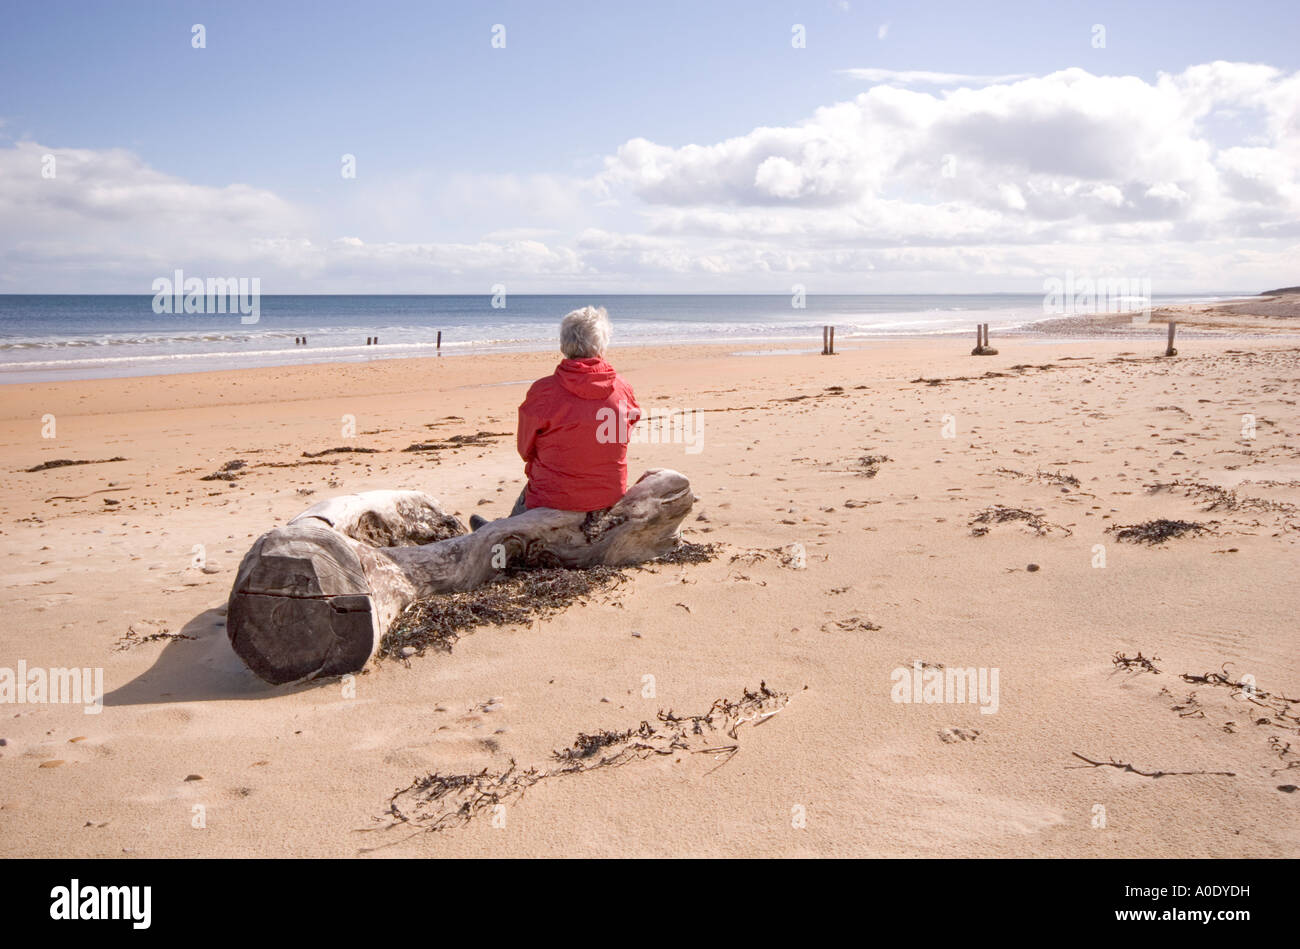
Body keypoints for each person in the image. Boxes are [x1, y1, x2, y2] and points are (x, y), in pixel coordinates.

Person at [470, 306, 640, 529]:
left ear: (563, 344)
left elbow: (525, 449)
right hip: (608, 497)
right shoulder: (623, 388)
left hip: (552, 499)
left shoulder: (544, 391)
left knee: (535, 485)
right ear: (602, 345)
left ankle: (498, 533)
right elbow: (628, 428)